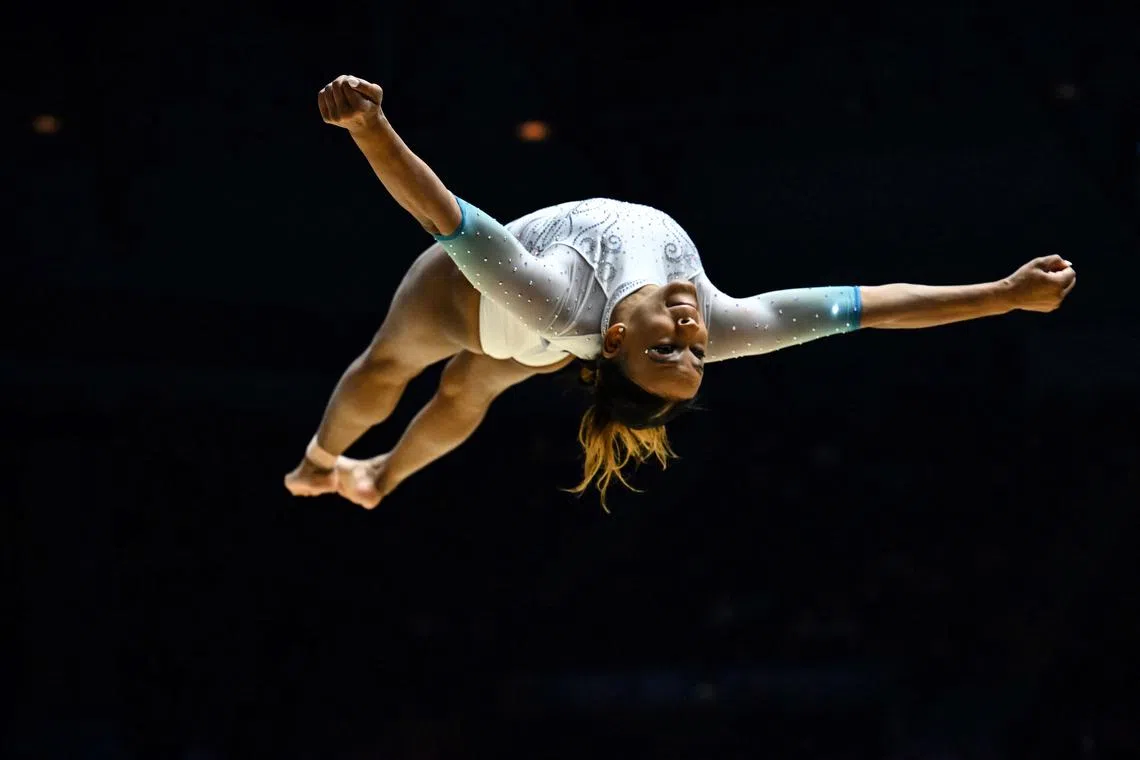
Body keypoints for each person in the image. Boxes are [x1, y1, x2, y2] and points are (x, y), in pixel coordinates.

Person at [284, 74, 1077, 509]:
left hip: (464, 303)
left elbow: (440, 213)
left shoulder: (556, 300)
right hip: (543, 345)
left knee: (396, 367)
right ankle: (372, 479)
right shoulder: (720, 325)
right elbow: (869, 307)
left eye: (668, 349)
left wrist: (368, 129)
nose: (694, 334)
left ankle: (324, 464)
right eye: (695, 354)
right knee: (471, 391)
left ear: (618, 343)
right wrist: (1002, 294)